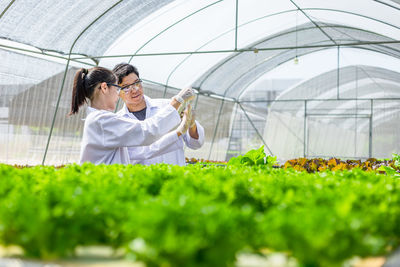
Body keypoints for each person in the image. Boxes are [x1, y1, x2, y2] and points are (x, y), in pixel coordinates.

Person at [69, 66, 194, 165]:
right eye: (118, 88)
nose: (118, 95)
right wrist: (177, 101)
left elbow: (143, 151)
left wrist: (179, 131)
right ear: (104, 88)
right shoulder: (102, 121)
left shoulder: (100, 120)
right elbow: (147, 131)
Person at [113, 63, 204, 166]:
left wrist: (191, 125)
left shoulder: (167, 106)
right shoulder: (119, 121)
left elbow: (196, 143)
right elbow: (135, 155)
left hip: (177, 178)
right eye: (126, 87)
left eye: (137, 83)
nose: (135, 90)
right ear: (117, 92)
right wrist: (178, 132)